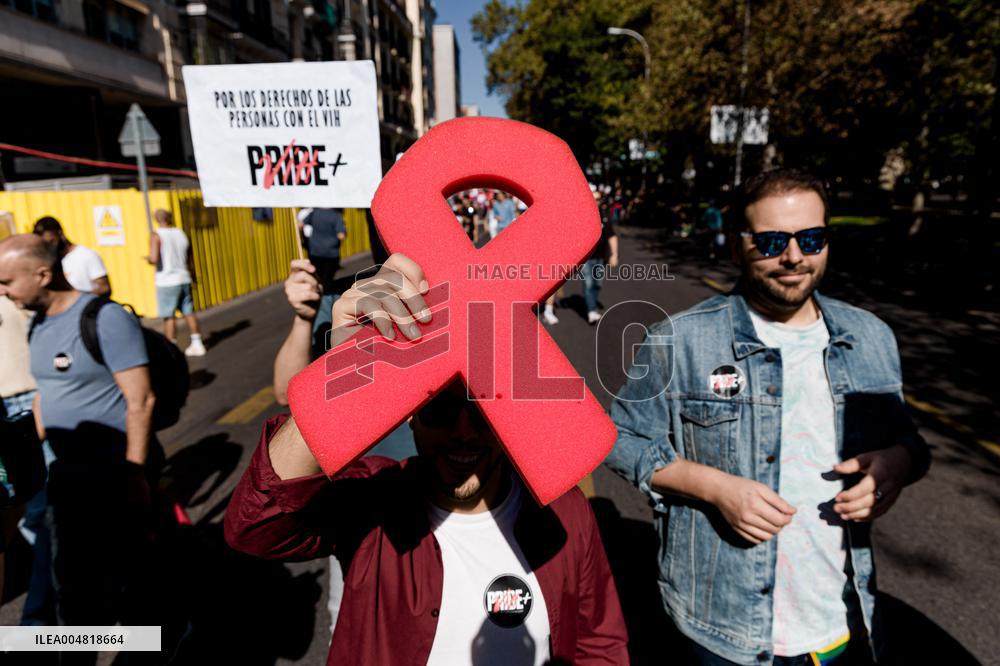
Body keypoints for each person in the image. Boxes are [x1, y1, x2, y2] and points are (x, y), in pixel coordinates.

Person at [229, 253, 629, 666]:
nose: (463, 432)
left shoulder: (566, 514)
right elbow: (256, 527)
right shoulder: (374, 505)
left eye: (482, 410)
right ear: (412, 415)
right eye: (440, 409)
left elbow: (600, 646)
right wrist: (340, 381)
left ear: (510, 413)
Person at [606, 168, 930, 666]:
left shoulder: (871, 337)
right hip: (721, 629)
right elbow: (621, 437)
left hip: (844, 622)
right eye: (772, 241)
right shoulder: (681, 339)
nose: (794, 256)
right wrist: (713, 487)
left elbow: (908, 442)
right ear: (738, 248)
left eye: (811, 238)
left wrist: (898, 464)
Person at [0, 234, 161, 647]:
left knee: (131, 582)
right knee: (74, 586)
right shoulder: (38, 323)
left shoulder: (104, 317)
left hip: (114, 476)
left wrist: (135, 475)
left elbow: (140, 400)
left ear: (42, 274)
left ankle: (155, 641)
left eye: (6, 281)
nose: (2, 291)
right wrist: (17, 447)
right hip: (66, 477)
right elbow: (46, 394)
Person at [0, 294, 57, 625]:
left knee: (43, 507)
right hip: (7, 407)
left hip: (26, 402)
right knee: (30, 510)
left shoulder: (16, 293)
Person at [147, 209, 205, 357]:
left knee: (169, 316)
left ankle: (171, 348)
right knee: (188, 312)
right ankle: (197, 343)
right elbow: (189, 257)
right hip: (184, 277)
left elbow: (154, 258)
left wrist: (148, 259)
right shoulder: (180, 233)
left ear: (156, 219)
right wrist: (193, 275)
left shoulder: (156, 235)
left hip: (167, 281)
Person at [32, 216, 111, 297]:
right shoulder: (49, 261)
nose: (50, 247)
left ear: (60, 234)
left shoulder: (86, 255)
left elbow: (104, 288)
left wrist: (77, 299)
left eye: (51, 241)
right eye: (45, 244)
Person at [582, 191, 620, 324]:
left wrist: (614, 255)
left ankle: (592, 306)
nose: (595, 202)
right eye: (593, 198)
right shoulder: (582, 216)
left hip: (600, 258)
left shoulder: (603, 215)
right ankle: (591, 311)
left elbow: (611, 236)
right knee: (588, 284)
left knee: (597, 284)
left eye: (598, 199)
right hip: (586, 259)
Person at [304, 208, 347, 295]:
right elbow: (341, 236)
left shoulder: (315, 213)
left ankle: (318, 295)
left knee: (317, 277)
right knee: (327, 280)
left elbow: (301, 224)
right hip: (331, 253)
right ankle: (324, 297)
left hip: (315, 251)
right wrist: (345, 231)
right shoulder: (336, 216)